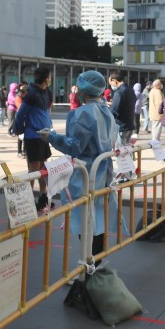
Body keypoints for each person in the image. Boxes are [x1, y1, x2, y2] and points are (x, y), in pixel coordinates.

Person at [41, 70, 118, 259]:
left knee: (84, 220)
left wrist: (50, 137)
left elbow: (75, 147)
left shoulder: (81, 114)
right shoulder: (107, 111)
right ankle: (96, 265)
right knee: (98, 219)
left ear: (82, 90)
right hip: (103, 173)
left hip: (84, 173)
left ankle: (87, 267)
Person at [13, 68, 53, 211]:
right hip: (33, 137)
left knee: (43, 168)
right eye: (49, 76)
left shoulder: (47, 93)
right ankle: (27, 200)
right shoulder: (31, 94)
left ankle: (43, 197)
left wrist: (49, 125)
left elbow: (47, 112)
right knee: (33, 169)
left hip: (44, 135)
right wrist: (20, 129)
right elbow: (20, 114)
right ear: (46, 79)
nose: (50, 79)